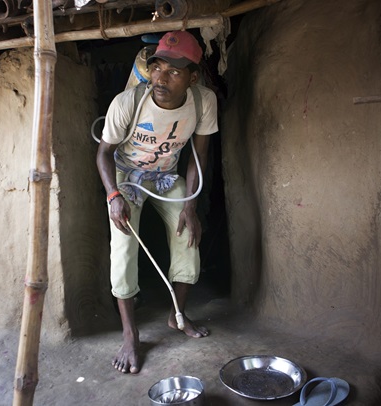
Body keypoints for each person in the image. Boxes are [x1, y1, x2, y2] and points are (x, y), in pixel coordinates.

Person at [96, 30, 219, 374]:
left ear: (192, 78)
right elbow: (103, 153)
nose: (161, 79)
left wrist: (190, 206)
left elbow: (199, 156)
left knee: (188, 235)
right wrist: (113, 195)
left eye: (174, 72)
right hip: (126, 177)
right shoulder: (128, 103)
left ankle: (176, 315)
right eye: (157, 68)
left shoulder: (204, 101)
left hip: (165, 178)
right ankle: (130, 335)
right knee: (123, 247)